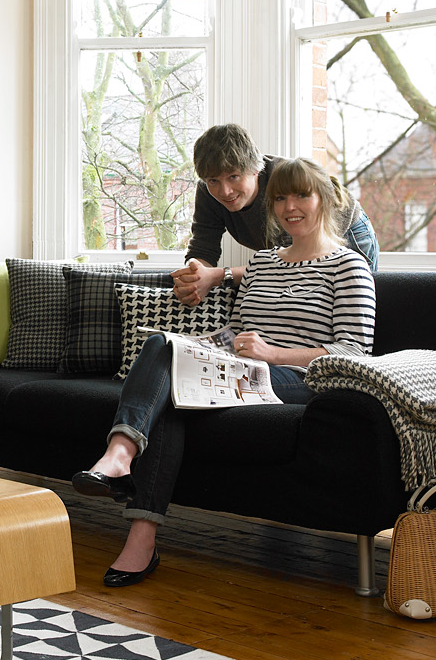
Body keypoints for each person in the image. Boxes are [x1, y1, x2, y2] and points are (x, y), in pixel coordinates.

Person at [71, 157, 377, 587]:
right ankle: (123, 472)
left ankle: (130, 498)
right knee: (165, 351)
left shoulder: (349, 267)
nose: (290, 206)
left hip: (300, 381)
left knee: (174, 385)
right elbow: (237, 330)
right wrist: (200, 346)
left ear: (324, 197)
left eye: (301, 195)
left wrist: (273, 354)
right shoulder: (265, 262)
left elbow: (354, 353)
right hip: (243, 369)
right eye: (280, 197)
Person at [172, 124, 377, 307]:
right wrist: (194, 276)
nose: (225, 191)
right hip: (290, 256)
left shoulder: (281, 183)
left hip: (348, 232)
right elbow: (203, 246)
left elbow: (291, 262)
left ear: (255, 169)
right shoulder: (208, 192)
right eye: (213, 181)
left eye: (233, 177)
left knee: (349, 304)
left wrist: (216, 276)